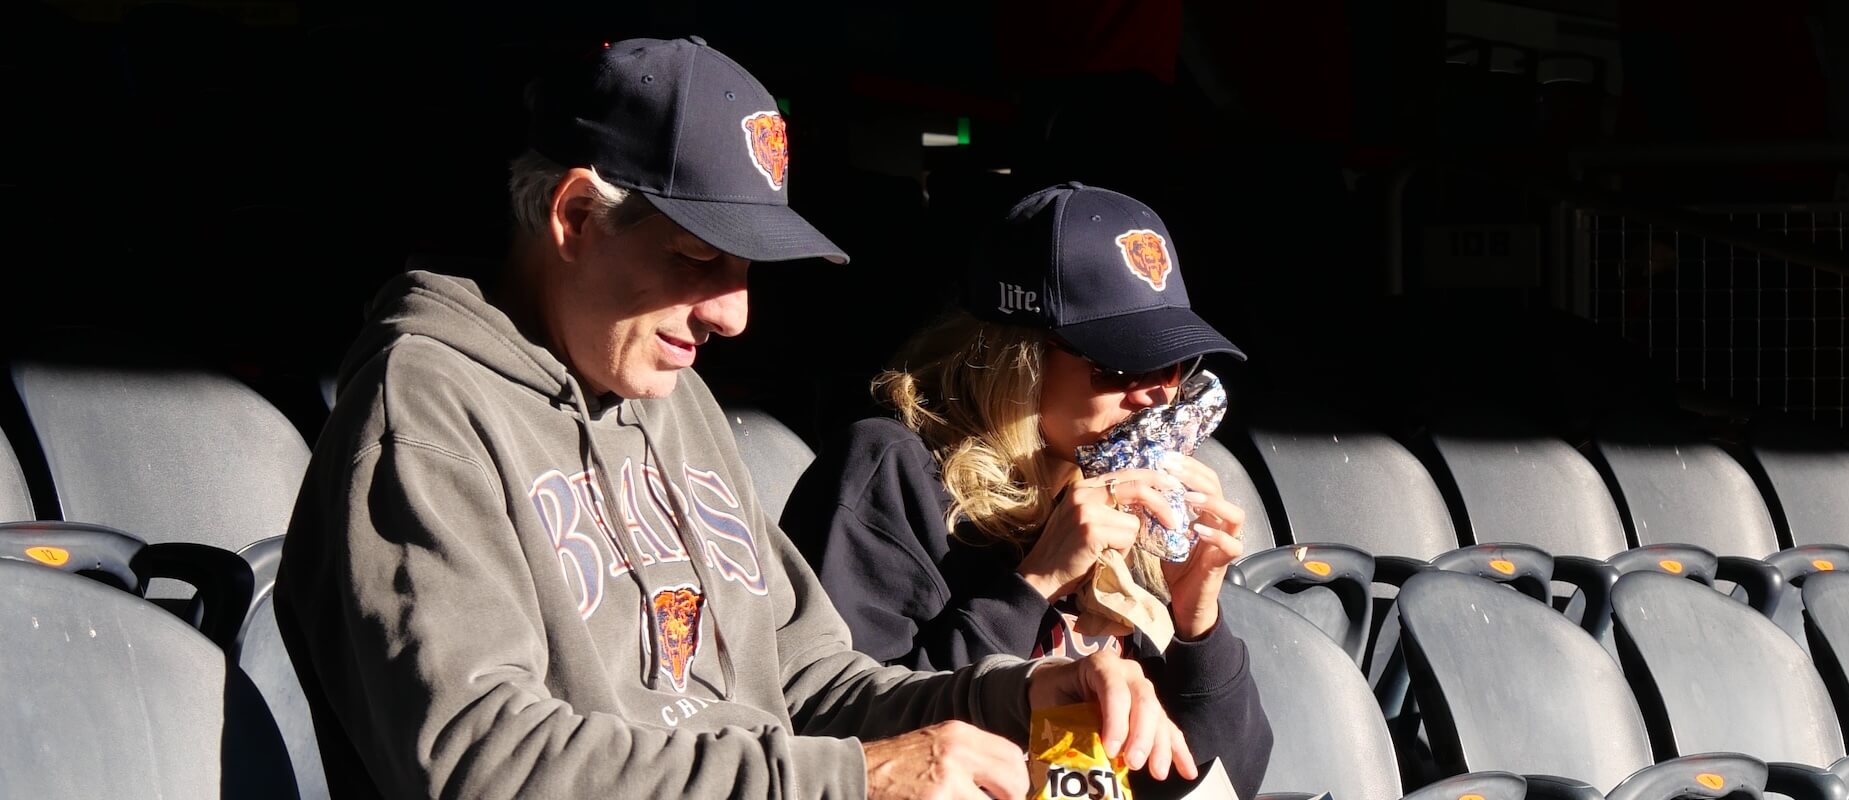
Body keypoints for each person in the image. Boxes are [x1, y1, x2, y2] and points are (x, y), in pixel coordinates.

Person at [276, 36, 1196, 799]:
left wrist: (1019, 694)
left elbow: (809, 684)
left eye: (746, 271)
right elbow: (483, 762)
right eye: (696, 259)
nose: (733, 314)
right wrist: (848, 783)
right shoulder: (425, 406)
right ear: (572, 217)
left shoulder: (674, 401)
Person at [785, 181, 1271, 798]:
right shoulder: (891, 471)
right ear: (1022, 356)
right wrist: (1033, 585)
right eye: (1119, 366)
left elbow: (1229, 779)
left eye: (1173, 365)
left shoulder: (1137, 501)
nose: (1158, 394)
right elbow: (857, 739)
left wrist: (1197, 619)